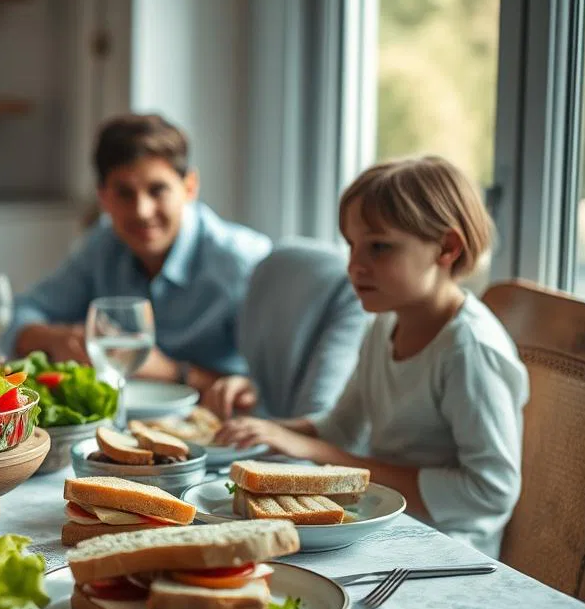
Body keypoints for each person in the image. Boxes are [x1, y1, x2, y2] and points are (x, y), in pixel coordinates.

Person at [216, 156, 529, 557]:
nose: (354, 266)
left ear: (447, 248)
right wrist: (265, 430)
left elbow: (490, 491)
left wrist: (319, 453)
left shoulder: (469, 350)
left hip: (447, 551)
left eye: (379, 247)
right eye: (351, 245)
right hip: (383, 526)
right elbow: (340, 428)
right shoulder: (384, 324)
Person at [1, 114, 272, 388]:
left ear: (190, 186)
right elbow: (18, 315)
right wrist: (57, 338)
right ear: (103, 197)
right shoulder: (103, 245)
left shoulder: (244, 263)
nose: (142, 211)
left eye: (157, 190)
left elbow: (272, 390)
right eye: (125, 193)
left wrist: (172, 372)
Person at [203, 239, 371, 419]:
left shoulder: (362, 305)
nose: (355, 265)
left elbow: (323, 424)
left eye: (379, 247)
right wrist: (254, 396)